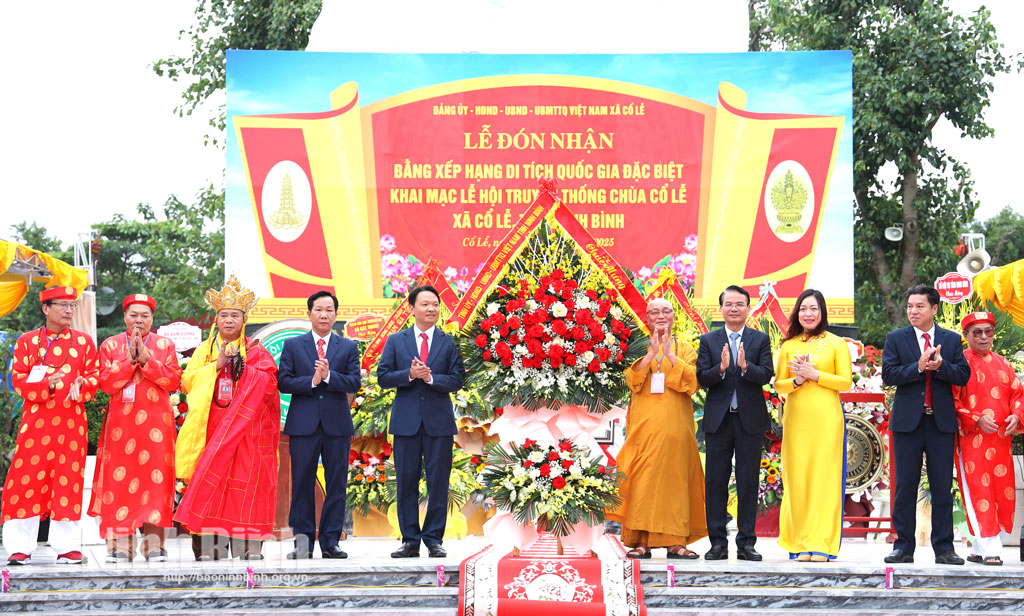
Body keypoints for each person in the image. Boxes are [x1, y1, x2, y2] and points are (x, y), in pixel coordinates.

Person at [174, 275, 281, 561]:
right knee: (211, 488)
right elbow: (187, 382)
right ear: (216, 319)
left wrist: (243, 370)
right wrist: (216, 367)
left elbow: (270, 384)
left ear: (244, 319)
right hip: (210, 433)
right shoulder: (203, 352)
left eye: (235, 315)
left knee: (245, 489)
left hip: (245, 435)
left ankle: (248, 548)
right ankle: (210, 550)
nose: (229, 320)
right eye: (224, 315)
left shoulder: (256, 351)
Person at [2, 286, 99, 566]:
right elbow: (18, 379)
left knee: (68, 482)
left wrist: (83, 384)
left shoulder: (83, 342)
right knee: (26, 480)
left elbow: (95, 375)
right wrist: (46, 384)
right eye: (63, 305)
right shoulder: (27, 342)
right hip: (35, 426)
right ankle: (20, 547)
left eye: (72, 305)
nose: (69, 310)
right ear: (46, 308)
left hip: (71, 425)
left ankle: (66, 547)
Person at [609, 297, 707, 559]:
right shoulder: (638, 346)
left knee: (674, 481)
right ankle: (641, 541)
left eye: (666, 311)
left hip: (676, 426)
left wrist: (670, 354)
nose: (661, 316)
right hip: (644, 425)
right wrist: (652, 353)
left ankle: (676, 542)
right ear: (647, 317)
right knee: (642, 479)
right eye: (655, 312)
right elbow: (631, 380)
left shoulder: (685, 348)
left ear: (674, 317)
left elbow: (693, 382)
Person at [881, 284, 970, 565]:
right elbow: (889, 375)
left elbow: (963, 375)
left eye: (919, 306)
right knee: (905, 485)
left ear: (934, 308)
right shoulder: (897, 339)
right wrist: (918, 367)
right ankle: (903, 546)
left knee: (942, 486)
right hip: (908, 422)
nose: (913, 311)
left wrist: (941, 367)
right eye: (909, 306)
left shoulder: (952, 340)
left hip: (940, 423)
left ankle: (944, 548)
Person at [89, 294, 182, 563]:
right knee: (118, 483)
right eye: (133, 315)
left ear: (152, 318)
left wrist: (148, 361)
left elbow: (174, 380)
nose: (139, 320)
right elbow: (105, 384)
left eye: (145, 315)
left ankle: (155, 547)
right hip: (121, 428)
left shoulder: (165, 344)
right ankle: (120, 547)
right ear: (124, 317)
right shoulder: (110, 345)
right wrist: (129, 360)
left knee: (157, 484)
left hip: (157, 427)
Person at [377, 285, 465, 558]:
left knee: (438, 481)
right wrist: (410, 375)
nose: (431, 309)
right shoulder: (396, 340)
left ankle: (434, 539)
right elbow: (383, 377)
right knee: (406, 481)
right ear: (411, 308)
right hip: (406, 423)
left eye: (435, 305)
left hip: (439, 423)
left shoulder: (448, 342)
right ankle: (410, 540)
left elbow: (458, 379)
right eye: (425, 304)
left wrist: (430, 379)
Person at [278, 290, 361, 559]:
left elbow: (354, 383)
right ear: (309, 313)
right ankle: (302, 543)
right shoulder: (293, 346)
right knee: (301, 483)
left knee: (337, 483)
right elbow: (284, 381)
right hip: (303, 426)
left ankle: (330, 542)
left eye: (329, 310)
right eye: (318, 309)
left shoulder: (348, 347)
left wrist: (329, 377)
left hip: (337, 425)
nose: (324, 314)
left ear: (336, 315)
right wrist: (312, 381)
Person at [773, 289, 852, 562]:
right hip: (796, 421)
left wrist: (814, 374)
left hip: (827, 420)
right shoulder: (789, 345)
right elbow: (778, 384)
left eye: (814, 309)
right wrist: (797, 381)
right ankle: (798, 542)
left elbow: (845, 382)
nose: (809, 313)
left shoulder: (836, 343)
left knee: (824, 480)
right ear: (797, 312)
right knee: (797, 479)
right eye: (804, 308)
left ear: (822, 312)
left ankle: (822, 542)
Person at [697, 284, 773, 561]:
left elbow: (766, 374)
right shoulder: (708, 340)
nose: (734, 308)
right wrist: (719, 369)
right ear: (721, 309)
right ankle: (717, 542)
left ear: (748, 308)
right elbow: (701, 378)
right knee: (716, 482)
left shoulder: (759, 339)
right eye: (728, 304)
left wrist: (744, 367)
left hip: (749, 421)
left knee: (748, 482)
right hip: (718, 421)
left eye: (739, 304)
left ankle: (746, 543)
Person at [952, 311, 1024, 566]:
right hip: (972, 440)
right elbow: (953, 401)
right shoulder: (959, 364)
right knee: (977, 491)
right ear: (966, 335)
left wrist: (1017, 415)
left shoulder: (1003, 364)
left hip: (1001, 441)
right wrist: (975, 419)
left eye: (988, 332)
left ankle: (979, 547)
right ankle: (992, 548)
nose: (984, 337)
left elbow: (1018, 394)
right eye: (977, 332)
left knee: (1001, 493)